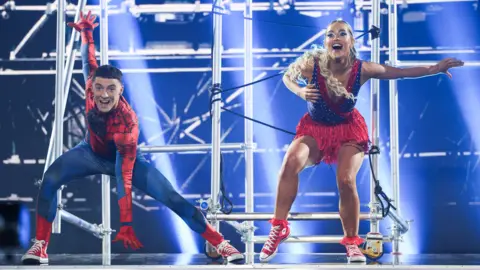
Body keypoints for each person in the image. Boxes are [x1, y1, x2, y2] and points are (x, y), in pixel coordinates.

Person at [21, 11, 244, 265]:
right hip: (89, 153)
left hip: (123, 159)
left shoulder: (126, 125)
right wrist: (86, 32)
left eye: (111, 89)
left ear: (121, 90)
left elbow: (123, 177)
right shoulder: (92, 86)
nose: (104, 95)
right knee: (50, 179)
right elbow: (87, 61)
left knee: (172, 198)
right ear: (92, 87)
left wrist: (126, 223)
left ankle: (221, 243)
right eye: (100, 88)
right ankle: (40, 247)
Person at [259, 19, 464, 263]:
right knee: (290, 162)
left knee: (346, 179)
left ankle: (352, 243)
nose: (336, 37)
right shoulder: (312, 64)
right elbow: (286, 77)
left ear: (350, 41)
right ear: (326, 42)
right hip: (315, 129)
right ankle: (279, 227)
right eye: (330, 34)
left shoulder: (362, 69)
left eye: (342, 33)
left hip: (348, 131)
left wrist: (434, 68)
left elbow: (398, 73)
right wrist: (300, 91)